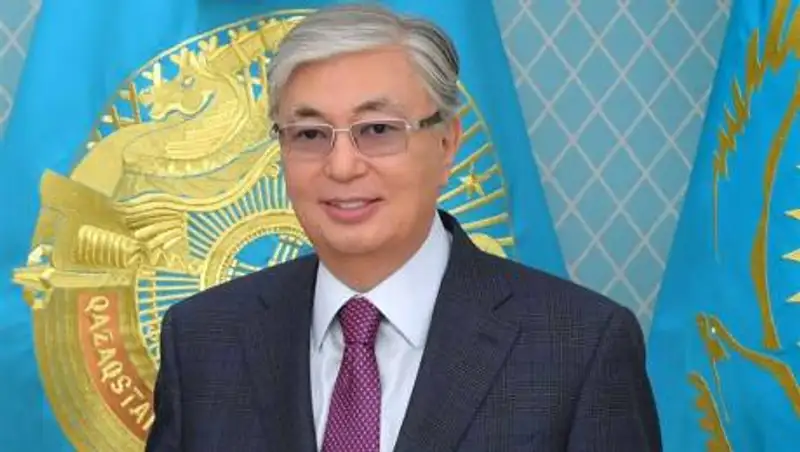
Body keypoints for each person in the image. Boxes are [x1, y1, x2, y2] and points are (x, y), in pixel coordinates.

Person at [145, 4, 662, 452]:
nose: (341, 166)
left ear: (447, 143)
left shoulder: (579, 346)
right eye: (310, 134)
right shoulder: (202, 339)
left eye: (377, 130)